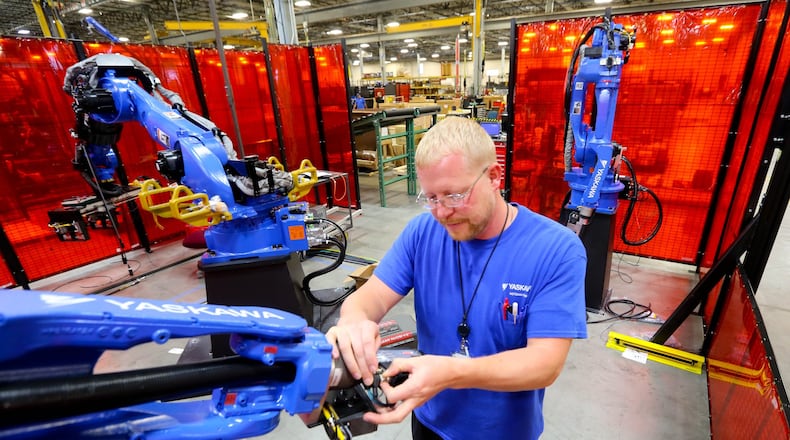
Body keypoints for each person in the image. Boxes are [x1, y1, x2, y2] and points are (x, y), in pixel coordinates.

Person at [325, 116, 588, 440]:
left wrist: (451, 373)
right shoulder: (423, 233)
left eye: (454, 195)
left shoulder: (555, 249)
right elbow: (372, 297)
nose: (442, 212)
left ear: (494, 176)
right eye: (432, 198)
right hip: (429, 421)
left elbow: (544, 363)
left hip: (503, 432)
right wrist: (354, 319)